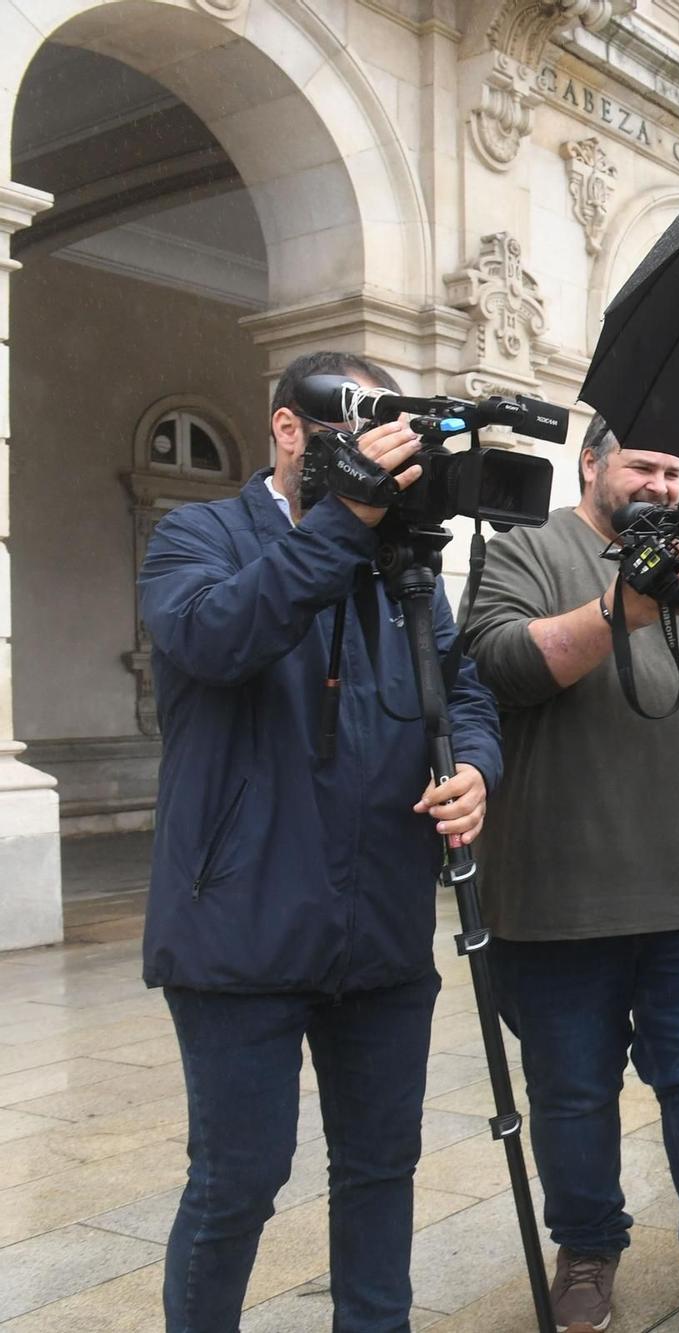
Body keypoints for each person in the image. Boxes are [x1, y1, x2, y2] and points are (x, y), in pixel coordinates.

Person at [138, 350, 501, 1332]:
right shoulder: (194, 536)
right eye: (354, 433)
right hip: (236, 927)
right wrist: (349, 522)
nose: (375, 459)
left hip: (378, 921)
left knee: (382, 1168)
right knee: (239, 1181)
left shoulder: (407, 568)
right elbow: (218, 634)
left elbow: (462, 692)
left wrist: (474, 769)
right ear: (287, 430)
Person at [459, 415, 679, 1333]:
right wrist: (626, 609)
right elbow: (505, 665)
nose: (659, 483)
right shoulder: (524, 549)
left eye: (672, 471)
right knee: (570, 1092)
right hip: (555, 895)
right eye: (643, 464)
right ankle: (588, 1246)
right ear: (593, 462)